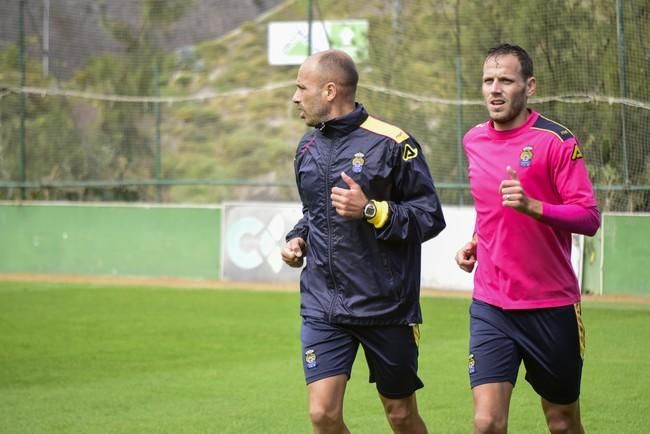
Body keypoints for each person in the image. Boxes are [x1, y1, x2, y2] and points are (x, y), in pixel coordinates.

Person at [281, 49, 446, 434]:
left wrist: (373, 211)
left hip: (385, 308)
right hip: (324, 305)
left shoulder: (393, 143)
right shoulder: (306, 149)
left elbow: (430, 217)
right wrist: (297, 239)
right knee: (323, 414)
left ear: (330, 90)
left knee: (401, 415)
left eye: (301, 88)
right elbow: (314, 214)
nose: (294, 97)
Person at [455, 43, 600, 434]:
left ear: (529, 86)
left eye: (506, 80)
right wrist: (474, 240)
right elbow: (490, 208)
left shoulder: (557, 141)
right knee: (486, 423)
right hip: (491, 305)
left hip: (550, 306)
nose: (495, 89)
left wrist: (535, 207)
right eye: (488, 80)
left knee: (562, 422)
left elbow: (588, 218)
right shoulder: (473, 140)